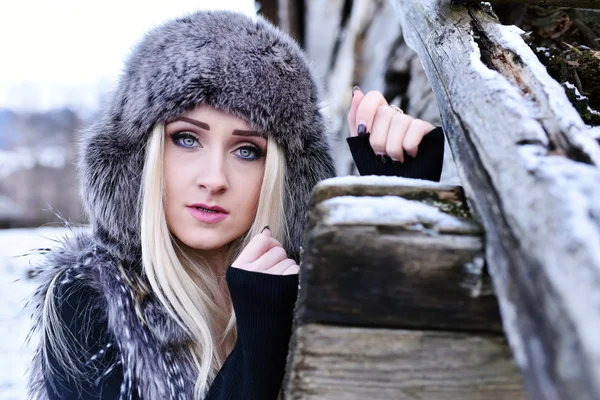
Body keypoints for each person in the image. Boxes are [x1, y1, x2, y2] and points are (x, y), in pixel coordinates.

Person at [27, 10, 445, 400]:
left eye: (247, 150)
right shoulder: (92, 301)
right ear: (144, 157)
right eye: (186, 139)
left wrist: (399, 206)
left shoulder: (314, 287)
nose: (214, 179)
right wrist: (255, 354)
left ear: (283, 174)